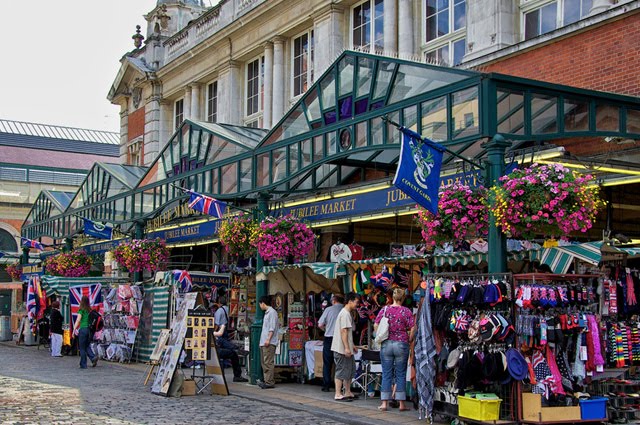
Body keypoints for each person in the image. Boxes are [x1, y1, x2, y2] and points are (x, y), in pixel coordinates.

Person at [374, 287, 415, 411]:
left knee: (386, 373)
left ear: (392, 297)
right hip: (401, 343)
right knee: (401, 374)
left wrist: (381, 336)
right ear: (403, 298)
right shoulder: (406, 311)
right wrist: (409, 339)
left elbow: (376, 324)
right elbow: (413, 327)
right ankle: (401, 404)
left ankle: (384, 403)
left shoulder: (385, 310)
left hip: (386, 344)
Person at [331, 292, 360, 401]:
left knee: (349, 370)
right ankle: (338, 393)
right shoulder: (345, 314)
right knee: (341, 370)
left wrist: (352, 345)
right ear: (350, 301)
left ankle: (347, 391)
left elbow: (347, 333)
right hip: (341, 349)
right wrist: (347, 348)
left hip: (346, 348)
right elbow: (344, 331)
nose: (357, 304)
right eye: (356, 302)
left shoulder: (347, 313)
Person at [213, 296, 248, 382]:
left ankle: (236, 349)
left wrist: (216, 329)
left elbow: (217, 325)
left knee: (223, 343)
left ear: (219, 303)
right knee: (226, 345)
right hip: (221, 335)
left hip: (219, 335)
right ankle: (236, 349)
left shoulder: (218, 311)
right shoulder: (228, 309)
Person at [317, 294, 344, 392]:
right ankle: (340, 385)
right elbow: (353, 328)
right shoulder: (345, 310)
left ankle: (326, 385)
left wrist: (326, 329)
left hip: (329, 337)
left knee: (327, 362)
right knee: (340, 362)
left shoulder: (328, 309)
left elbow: (320, 324)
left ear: (334, 300)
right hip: (341, 338)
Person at [258, 295, 279, 389]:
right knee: (264, 362)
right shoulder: (267, 313)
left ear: (262, 303)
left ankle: (269, 382)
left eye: (259, 304)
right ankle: (267, 380)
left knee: (268, 362)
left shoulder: (272, 313)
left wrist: (268, 339)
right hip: (264, 342)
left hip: (269, 342)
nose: (259, 306)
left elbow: (272, 327)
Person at [73, 295, 98, 369]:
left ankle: (83, 364)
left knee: (82, 348)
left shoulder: (81, 310)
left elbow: (78, 320)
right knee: (87, 345)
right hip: (89, 330)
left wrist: (74, 329)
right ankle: (93, 357)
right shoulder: (90, 310)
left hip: (83, 329)